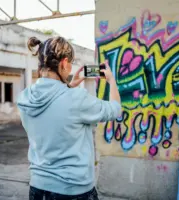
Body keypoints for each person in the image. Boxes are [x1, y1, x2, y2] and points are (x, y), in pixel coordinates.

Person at [17, 36, 121, 200]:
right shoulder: (77, 99)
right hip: (73, 190)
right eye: (70, 64)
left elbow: (54, 107)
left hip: (37, 188)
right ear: (64, 63)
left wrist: (69, 86)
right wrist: (111, 80)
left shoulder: (24, 98)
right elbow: (114, 110)